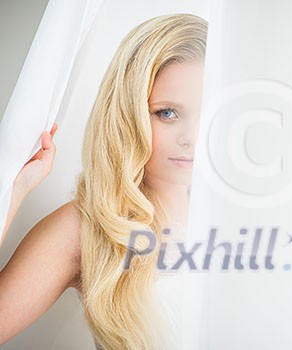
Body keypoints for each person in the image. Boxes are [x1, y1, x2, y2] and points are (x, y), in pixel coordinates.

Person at [0, 13, 207, 349]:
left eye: (205, 111)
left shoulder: (247, 214)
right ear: (129, 114)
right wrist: (15, 189)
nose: (191, 137)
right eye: (168, 112)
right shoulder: (84, 229)